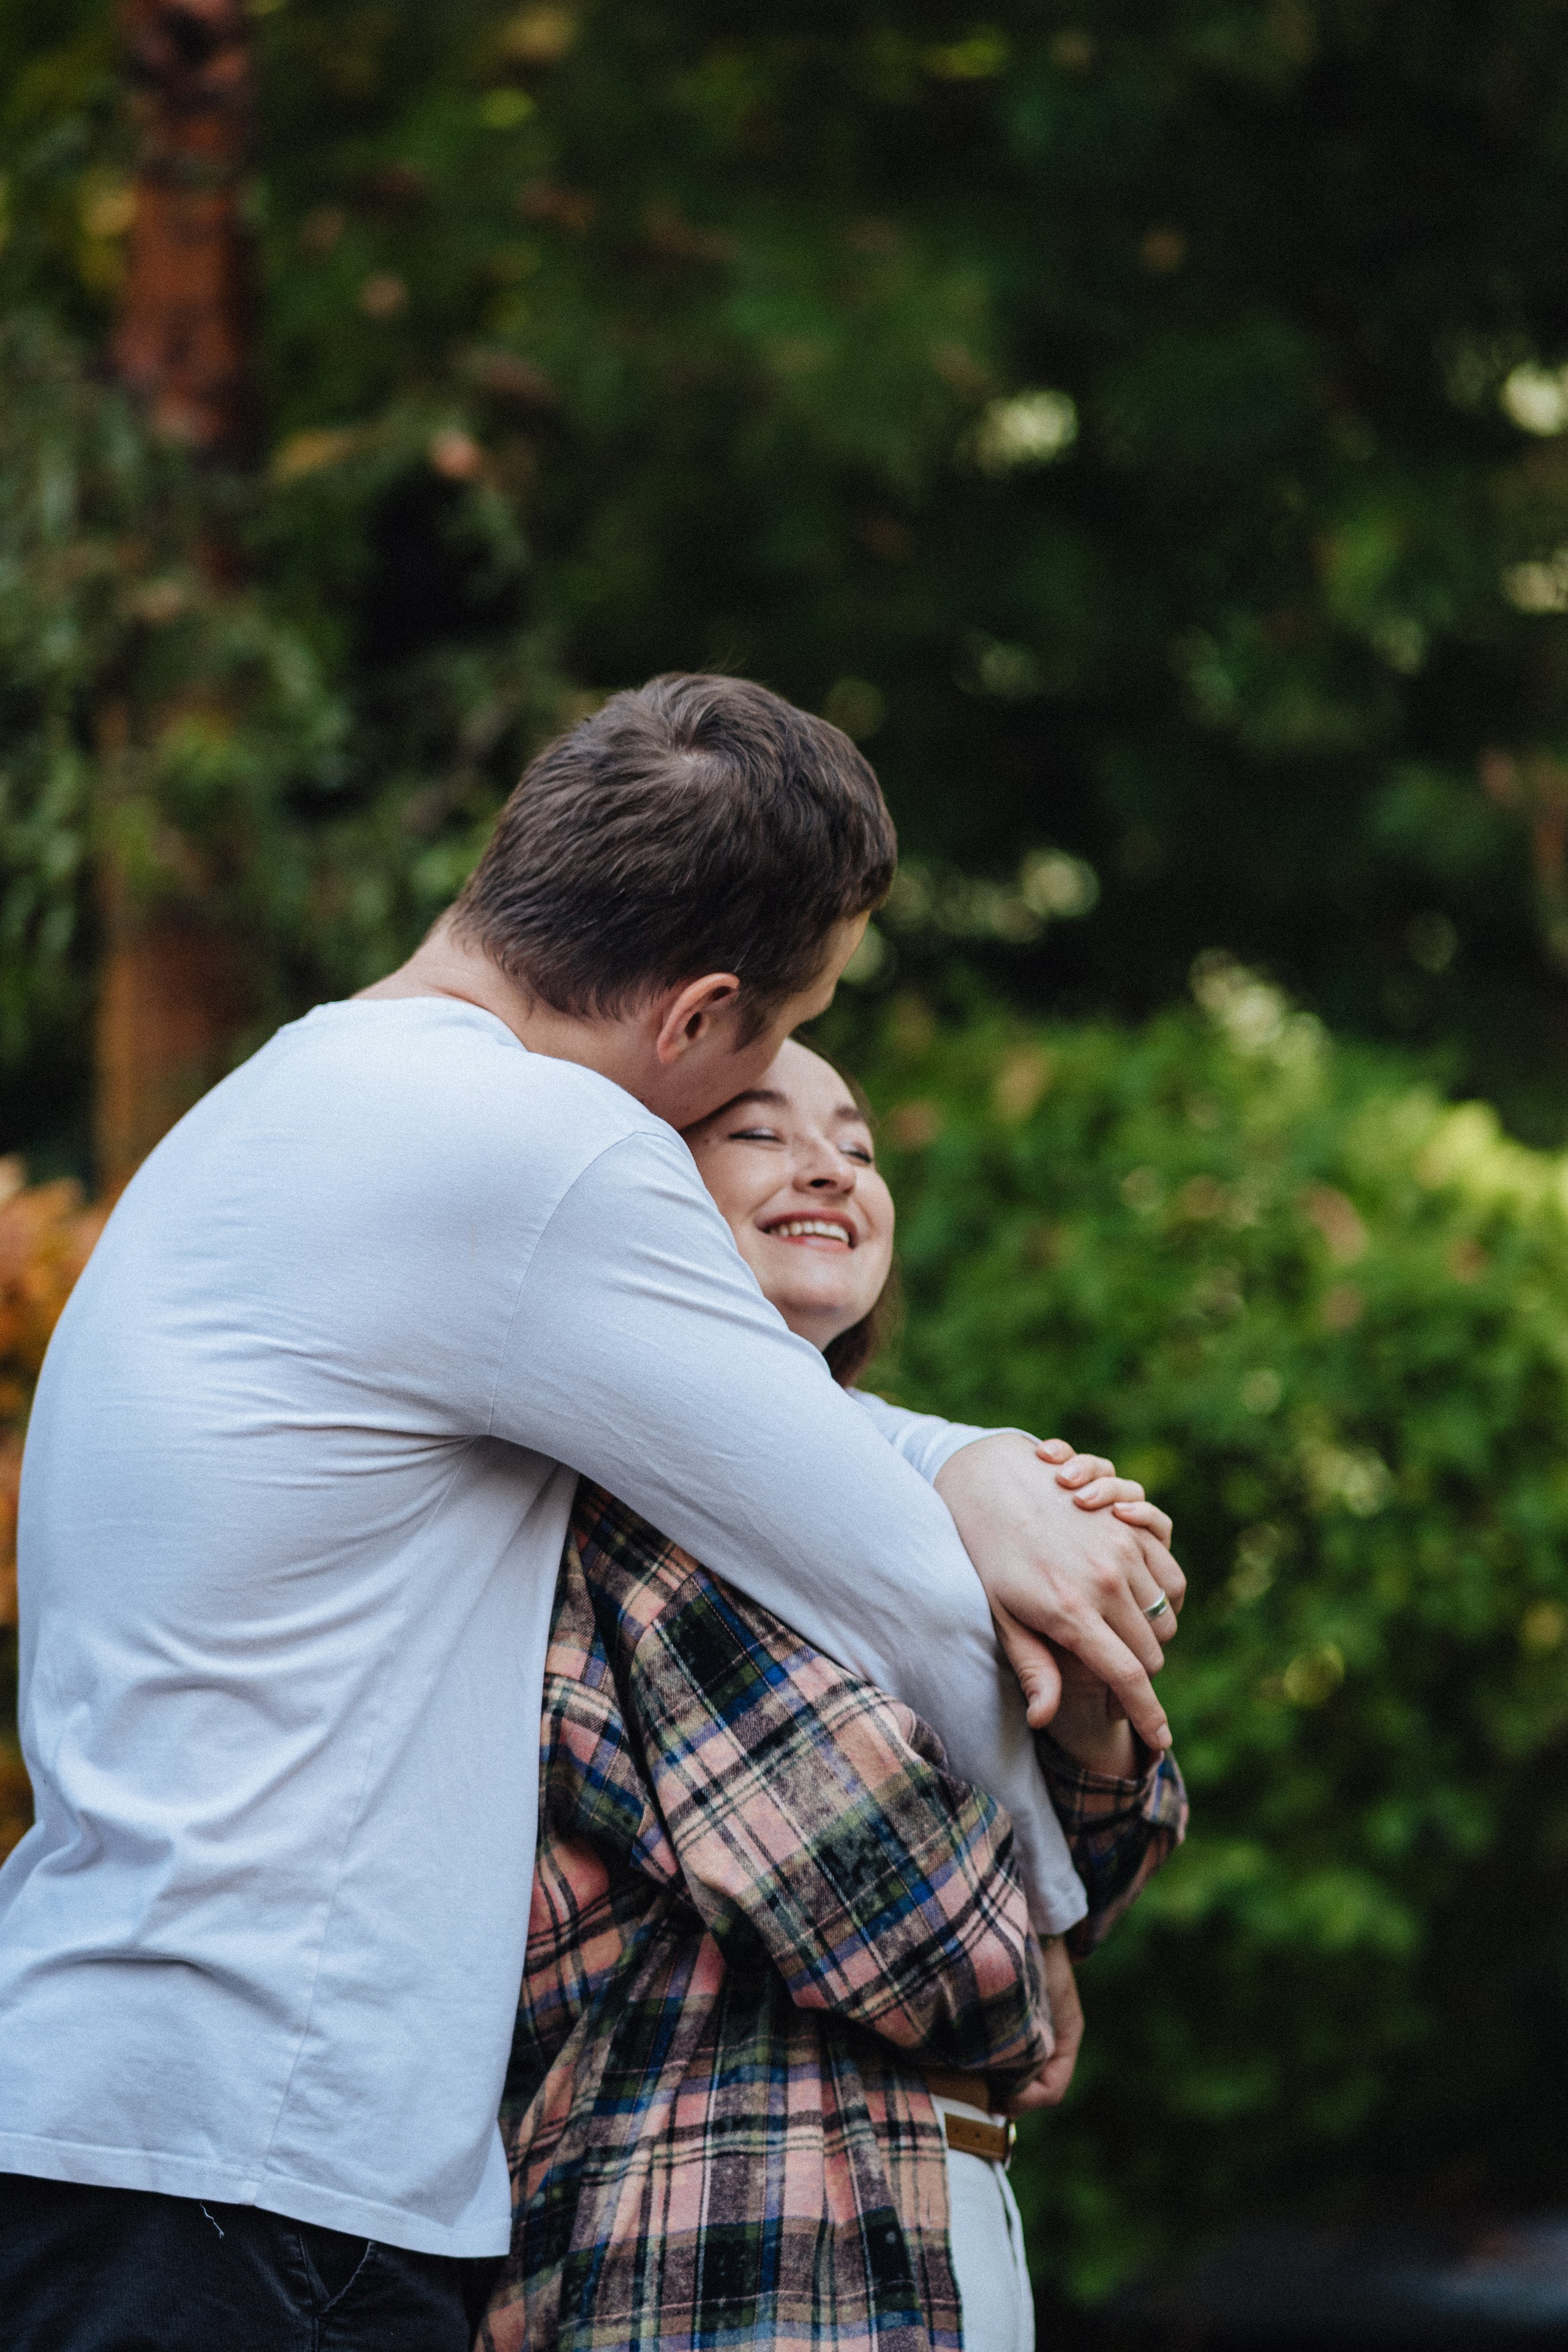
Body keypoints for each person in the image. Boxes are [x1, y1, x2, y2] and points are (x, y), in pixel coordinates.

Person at [0, 676, 1182, 2350]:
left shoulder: (301, 1098)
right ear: (698, 1021)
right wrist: (1044, 1911)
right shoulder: (534, 1145)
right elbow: (902, 1589)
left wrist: (963, 1452)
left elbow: (797, 1436)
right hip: (260, 2169)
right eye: (778, 1041)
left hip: (133, 2108)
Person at [480, 1040, 1186, 2352]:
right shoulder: (636, 1503)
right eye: (757, 1132)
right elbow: (897, 1913)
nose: (827, 1166)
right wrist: (1035, 1937)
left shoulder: (922, 1495)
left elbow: (1101, 1853)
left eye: (856, 1146)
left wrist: (1094, 1685)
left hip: (927, 2204)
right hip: (721, 2232)